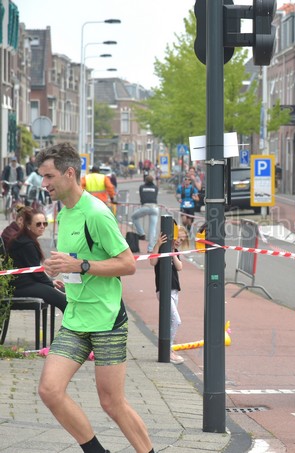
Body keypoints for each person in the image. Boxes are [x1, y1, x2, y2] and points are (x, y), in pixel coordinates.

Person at [36, 143, 155, 453]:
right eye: (42, 177)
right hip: (76, 317)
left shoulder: (97, 213)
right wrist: (61, 272)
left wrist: (81, 266)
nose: (44, 184)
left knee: (112, 403)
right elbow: (75, 261)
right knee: (49, 390)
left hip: (106, 319)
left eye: (49, 177)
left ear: (69, 173)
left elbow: (128, 264)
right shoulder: (63, 212)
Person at [5, 206, 67, 313]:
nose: (42, 227)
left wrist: (51, 282)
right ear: (28, 225)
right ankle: (71, 327)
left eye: (45, 223)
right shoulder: (26, 243)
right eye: (38, 224)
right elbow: (37, 273)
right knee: (63, 300)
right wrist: (51, 283)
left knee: (64, 290)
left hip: (24, 283)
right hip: (19, 286)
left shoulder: (25, 239)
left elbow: (36, 271)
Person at [149, 227, 190, 365]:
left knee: (170, 321)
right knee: (176, 320)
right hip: (163, 290)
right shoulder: (161, 250)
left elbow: (179, 267)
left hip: (174, 290)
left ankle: (168, 349)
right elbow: (152, 262)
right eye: (178, 237)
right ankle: (168, 350)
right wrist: (158, 244)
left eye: (182, 239)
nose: (179, 241)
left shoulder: (175, 252)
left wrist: (173, 254)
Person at [131, 175, 160, 253]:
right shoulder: (155, 188)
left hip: (145, 207)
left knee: (134, 217)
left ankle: (141, 233)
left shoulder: (141, 187)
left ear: (145, 181)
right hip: (154, 208)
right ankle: (150, 248)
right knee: (152, 229)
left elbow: (142, 197)